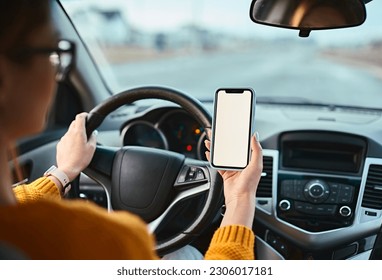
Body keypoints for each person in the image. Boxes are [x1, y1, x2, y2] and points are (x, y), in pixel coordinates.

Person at [0, 0, 263, 260]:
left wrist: (64, 171)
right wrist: (240, 195)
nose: (56, 69)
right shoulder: (108, 239)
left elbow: (15, 204)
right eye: (53, 52)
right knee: (185, 254)